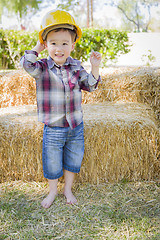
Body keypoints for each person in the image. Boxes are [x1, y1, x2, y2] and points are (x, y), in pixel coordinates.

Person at [20, 9, 101, 208]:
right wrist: (38, 46)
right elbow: (26, 63)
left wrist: (95, 67)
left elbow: (90, 85)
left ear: (72, 46)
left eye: (64, 43)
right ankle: (53, 191)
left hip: (75, 126)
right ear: (46, 45)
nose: (59, 48)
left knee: (73, 159)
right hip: (53, 126)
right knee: (52, 162)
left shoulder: (76, 67)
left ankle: (68, 190)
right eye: (53, 43)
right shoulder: (41, 67)